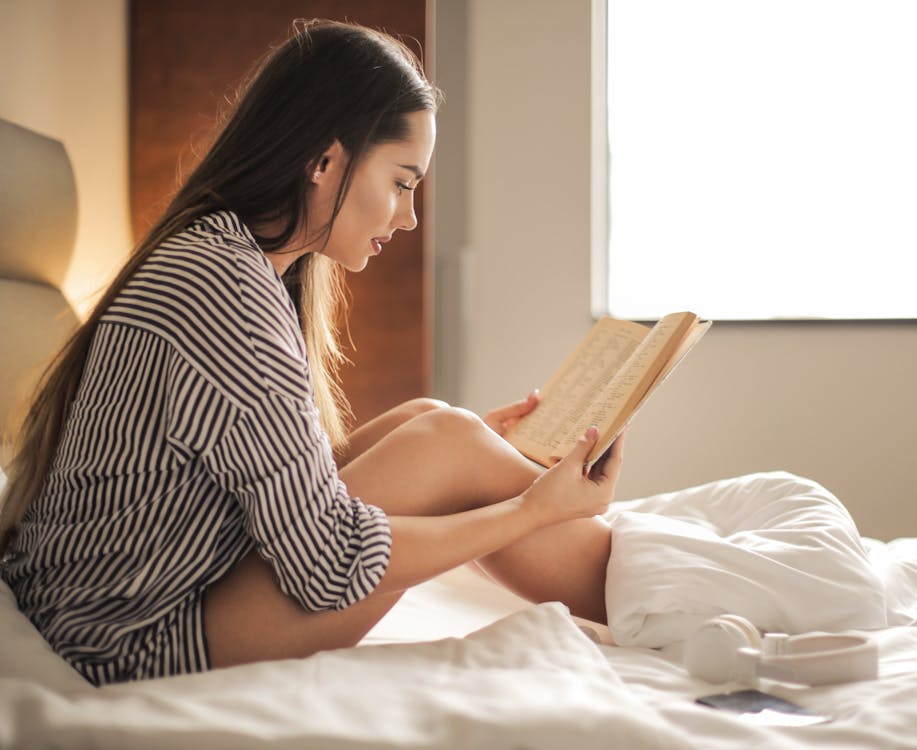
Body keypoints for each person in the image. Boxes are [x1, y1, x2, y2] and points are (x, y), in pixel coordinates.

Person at [0, 19, 622, 686]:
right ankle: (655, 594)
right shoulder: (225, 294)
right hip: (128, 638)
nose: (408, 217)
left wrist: (479, 473)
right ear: (324, 162)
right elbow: (326, 564)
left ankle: (649, 582)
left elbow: (267, 488)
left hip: (118, 602)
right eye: (403, 183)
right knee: (449, 442)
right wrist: (529, 510)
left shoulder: (222, 257)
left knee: (430, 420)